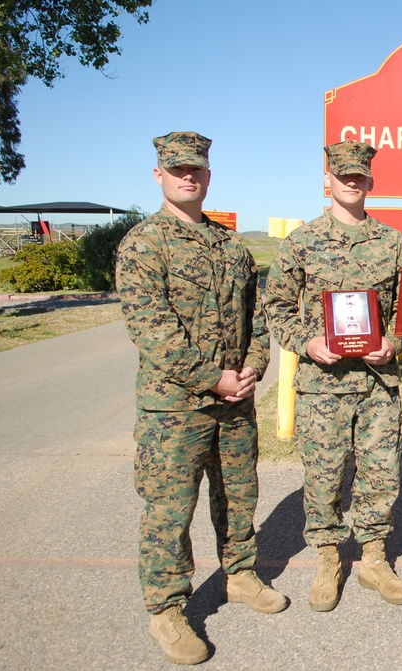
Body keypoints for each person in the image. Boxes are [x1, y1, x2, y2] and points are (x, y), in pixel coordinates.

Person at [117, 131, 287, 666]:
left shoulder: (231, 247)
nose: (188, 177)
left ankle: (239, 574)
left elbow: (257, 319)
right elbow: (152, 329)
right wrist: (213, 377)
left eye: (197, 170)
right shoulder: (143, 244)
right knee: (169, 511)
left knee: (238, 496)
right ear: (159, 175)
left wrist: (254, 367)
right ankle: (167, 609)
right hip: (175, 409)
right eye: (177, 170)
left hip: (236, 404)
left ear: (209, 176)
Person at [264, 140, 402, 610]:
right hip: (322, 384)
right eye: (343, 175)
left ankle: (373, 557)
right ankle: (328, 559)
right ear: (328, 181)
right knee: (324, 475)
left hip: (376, 385)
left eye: (360, 176)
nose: (351, 182)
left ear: (370, 182)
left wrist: (394, 342)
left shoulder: (393, 244)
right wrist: (307, 342)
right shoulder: (301, 242)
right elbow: (276, 307)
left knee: (380, 473)